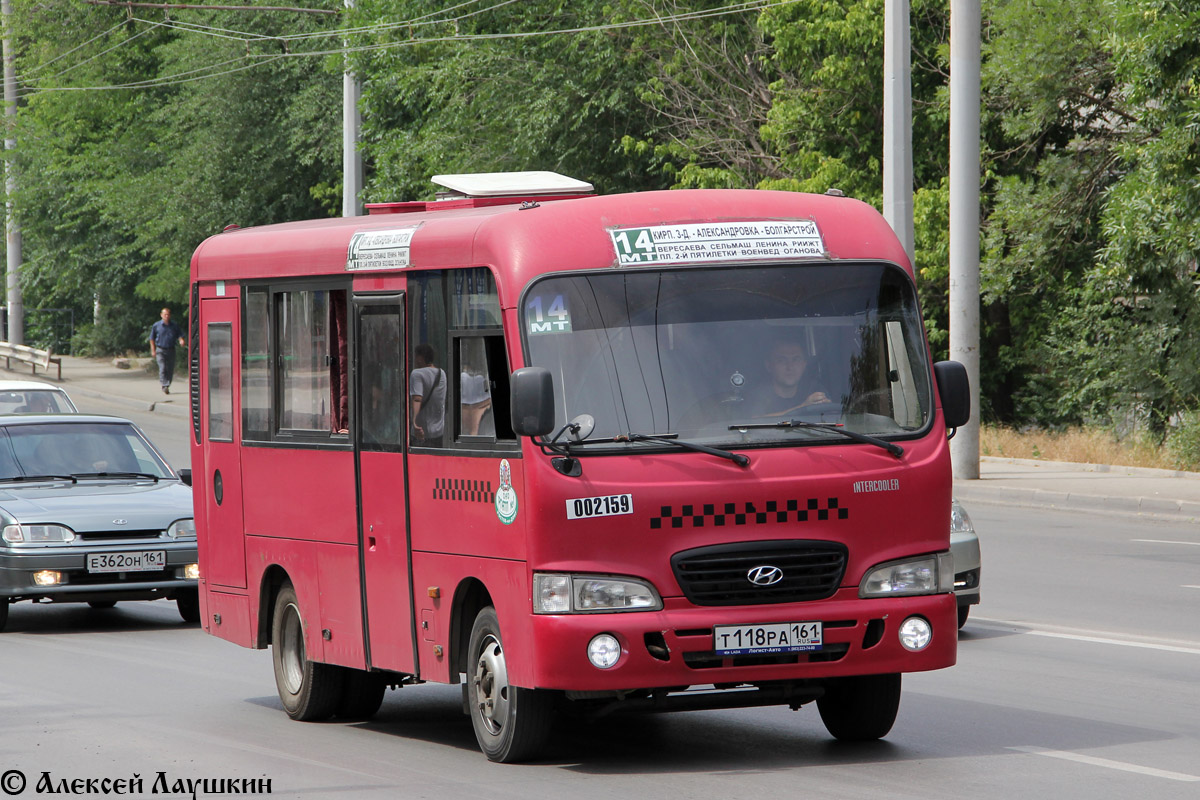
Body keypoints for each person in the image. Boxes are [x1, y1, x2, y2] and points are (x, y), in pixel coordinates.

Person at [749, 338, 830, 418]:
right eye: (782, 360)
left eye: (796, 360)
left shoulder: (814, 389)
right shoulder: (759, 394)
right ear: (769, 366)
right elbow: (755, 421)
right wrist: (804, 408)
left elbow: (833, 419)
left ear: (804, 365)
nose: (790, 367)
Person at [409, 344, 447, 445]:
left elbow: (417, 399)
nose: (415, 359)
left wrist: (414, 422)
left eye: (416, 356)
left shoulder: (417, 374)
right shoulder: (442, 373)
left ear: (421, 358)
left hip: (421, 432)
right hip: (438, 432)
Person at [149, 307, 186, 395]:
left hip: (171, 349)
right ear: (161, 315)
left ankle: (167, 385)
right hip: (160, 350)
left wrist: (181, 340)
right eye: (165, 314)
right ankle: (164, 384)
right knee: (162, 367)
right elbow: (151, 339)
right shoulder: (156, 325)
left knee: (170, 369)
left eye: (168, 314)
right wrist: (153, 350)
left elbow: (179, 334)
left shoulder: (174, 325)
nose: (166, 316)